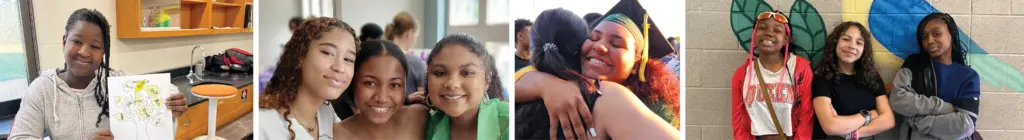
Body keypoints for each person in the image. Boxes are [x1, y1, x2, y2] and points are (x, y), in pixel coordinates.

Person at [8, 8, 187, 140]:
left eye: (94, 46)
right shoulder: (42, 89)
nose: (84, 52)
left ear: (103, 53)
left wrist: (171, 105)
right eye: (77, 41)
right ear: (64, 43)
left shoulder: (117, 82)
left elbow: (166, 91)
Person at [514, 8, 678, 140]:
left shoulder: (657, 107)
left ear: (636, 64)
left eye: (616, 44)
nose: (599, 47)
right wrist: (545, 85)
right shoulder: (553, 86)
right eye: (593, 38)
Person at [258, 17, 359, 140]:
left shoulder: (326, 112)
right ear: (300, 56)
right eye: (328, 53)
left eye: (348, 59)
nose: (340, 68)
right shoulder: (263, 125)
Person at [888, 12, 981, 140]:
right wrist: (945, 108)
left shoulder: (968, 76)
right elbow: (898, 100)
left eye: (936, 34)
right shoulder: (914, 64)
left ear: (951, 35)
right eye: (925, 37)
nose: (930, 40)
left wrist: (916, 120)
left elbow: (965, 125)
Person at [730, 10, 814, 140]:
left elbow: (806, 115)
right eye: (762, 28)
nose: (768, 33)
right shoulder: (742, 74)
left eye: (778, 30)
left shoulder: (800, 69)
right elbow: (738, 122)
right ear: (754, 34)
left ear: (786, 39)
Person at [812, 22, 895, 139]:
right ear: (835, 42)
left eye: (859, 43)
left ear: (864, 49)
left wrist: (852, 134)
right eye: (846, 39)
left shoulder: (871, 76)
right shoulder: (822, 77)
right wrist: (869, 115)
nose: (852, 46)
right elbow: (830, 126)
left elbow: (888, 120)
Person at [334, 40, 429, 139]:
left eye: (395, 85)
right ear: (352, 83)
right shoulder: (334, 135)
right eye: (370, 83)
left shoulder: (419, 118)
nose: (382, 98)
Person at [423, 33, 510, 140]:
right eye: (440, 73)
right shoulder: (425, 126)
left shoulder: (510, 122)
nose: (452, 84)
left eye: (467, 73)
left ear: (487, 81)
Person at [384, 12, 427, 100]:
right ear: (409, 34)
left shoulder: (376, 58)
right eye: (416, 36)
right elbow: (422, 98)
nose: (414, 42)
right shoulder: (415, 63)